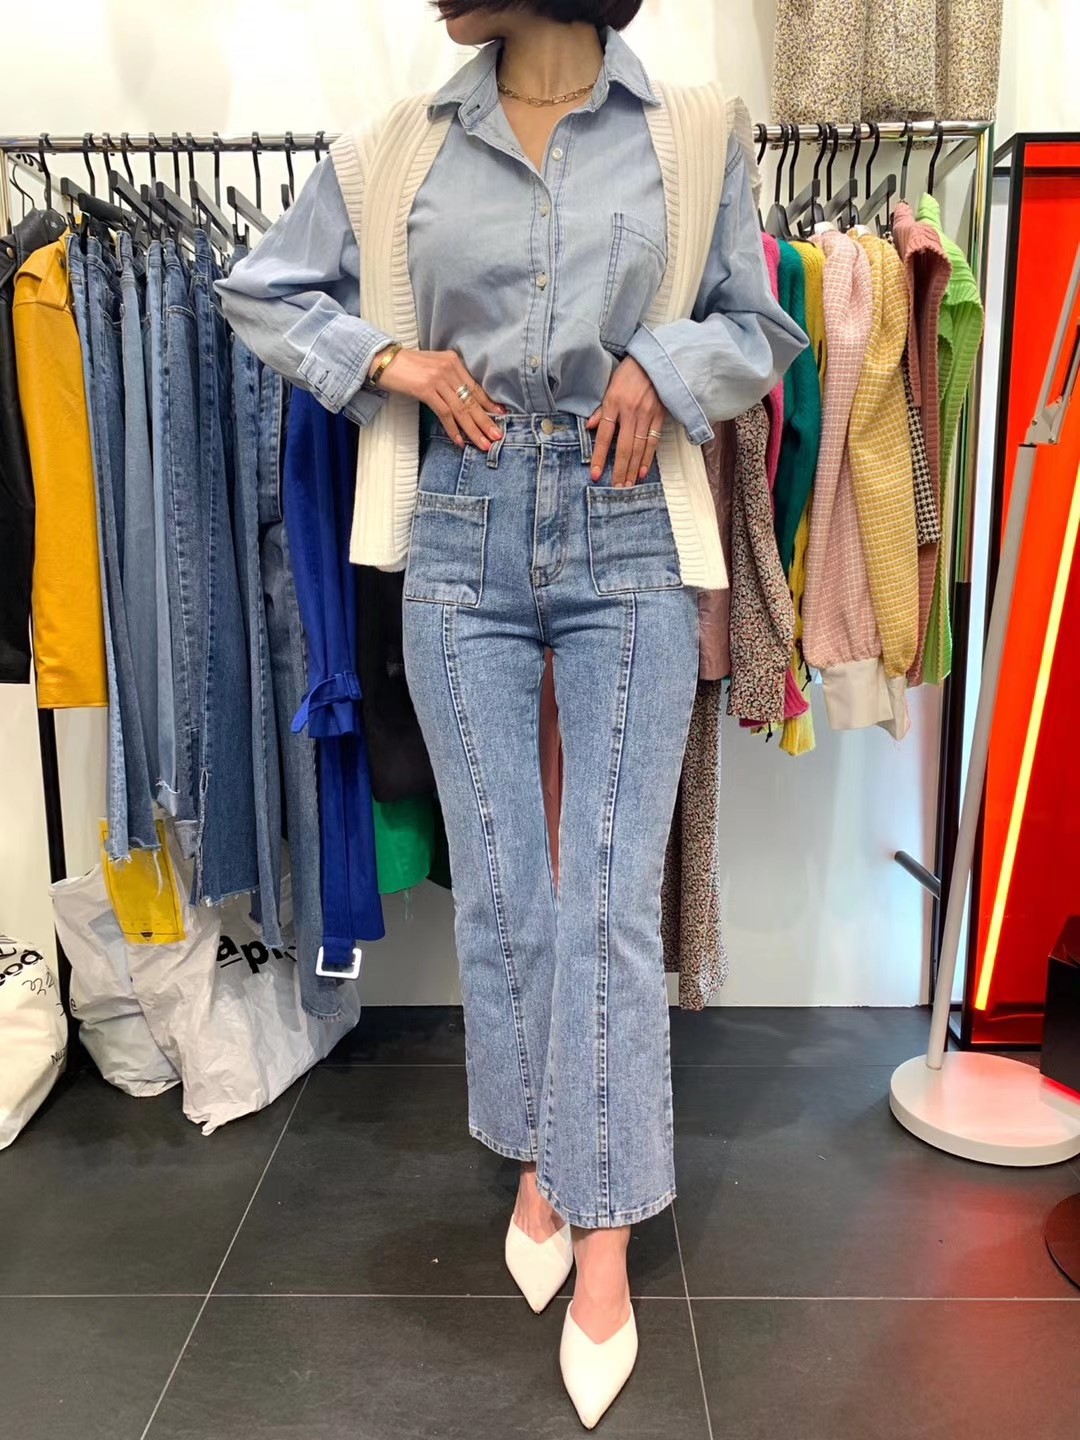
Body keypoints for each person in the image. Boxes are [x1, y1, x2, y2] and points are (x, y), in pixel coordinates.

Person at [218, 0, 805, 1426]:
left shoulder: (695, 132)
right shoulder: (395, 151)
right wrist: (393, 364)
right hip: (460, 534)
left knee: (605, 894)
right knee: (504, 887)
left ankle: (602, 1236)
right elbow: (261, 290)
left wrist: (661, 368)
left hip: (626, 528)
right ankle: (545, 1155)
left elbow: (761, 321)